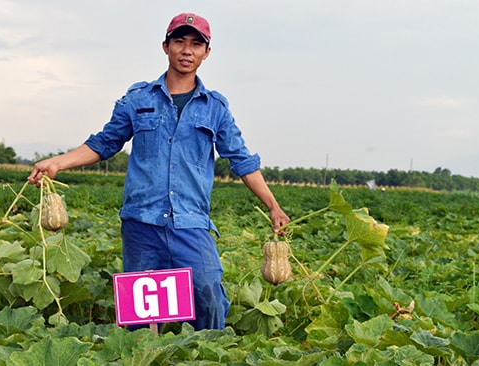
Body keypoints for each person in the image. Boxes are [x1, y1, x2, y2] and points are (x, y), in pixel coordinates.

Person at [28, 12, 290, 331]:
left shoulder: (215, 107)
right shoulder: (138, 98)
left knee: (207, 294)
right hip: (142, 223)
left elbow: (242, 161)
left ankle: (205, 355)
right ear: (165, 46)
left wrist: (273, 206)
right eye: (179, 41)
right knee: (141, 317)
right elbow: (105, 143)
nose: (187, 50)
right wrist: (57, 162)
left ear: (207, 53)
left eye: (196, 44)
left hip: (190, 224)